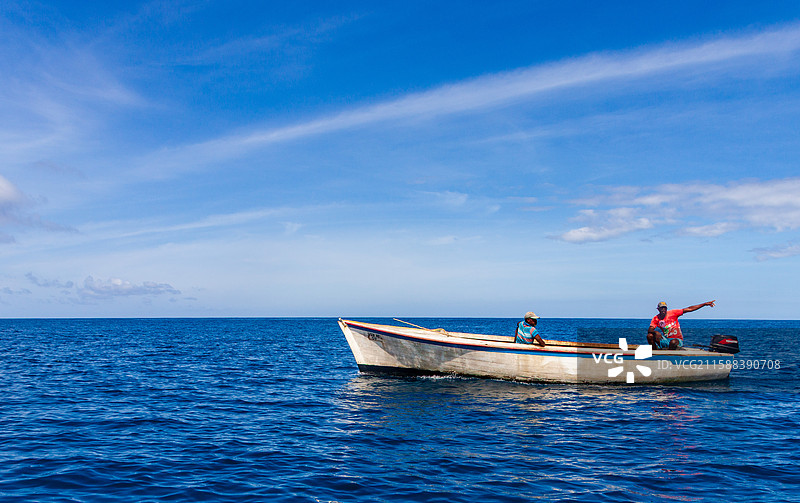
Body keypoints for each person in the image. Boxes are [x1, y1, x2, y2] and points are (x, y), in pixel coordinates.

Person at [647, 300, 716, 350]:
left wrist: (704, 304)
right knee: (650, 336)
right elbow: (650, 329)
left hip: (676, 339)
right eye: (661, 308)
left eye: (664, 308)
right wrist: (655, 332)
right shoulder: (656, 318)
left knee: (673, 342)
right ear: (658, 309)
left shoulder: (673, 313)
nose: (663, 310)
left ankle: (668, 354)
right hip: (665, 339)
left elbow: (689, 309)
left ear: (666, 308)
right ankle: (655, 352)